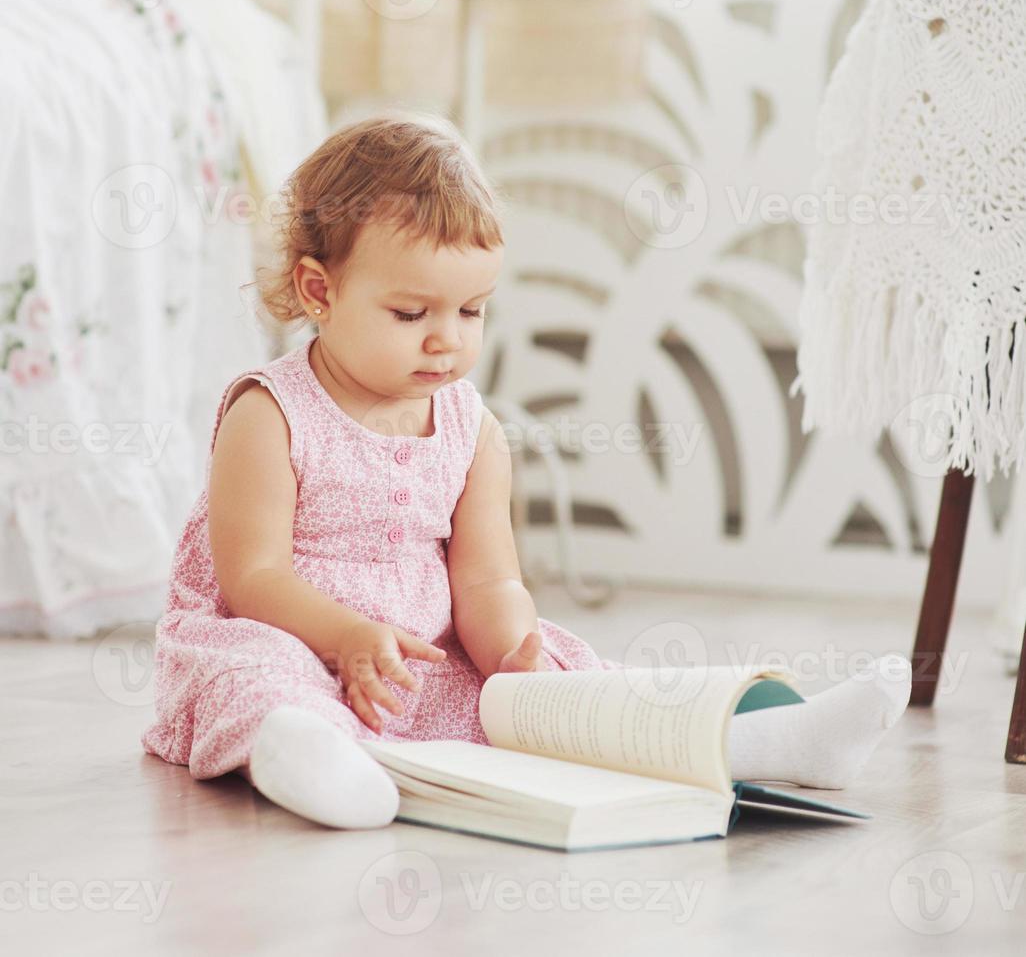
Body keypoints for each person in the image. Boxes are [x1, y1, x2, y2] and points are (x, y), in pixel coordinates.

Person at [140, 113, 912, 829]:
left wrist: (510, 647)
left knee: (569, 681)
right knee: (255, 674)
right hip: (293, 636)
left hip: (426, 655)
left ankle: (781, 742)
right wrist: (344, 638)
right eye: (411, 315)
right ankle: (308, 757)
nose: (446, 340)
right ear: (320, 291)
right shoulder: (270, 413)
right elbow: (252, 577)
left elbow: (485, 581)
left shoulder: (473, 431)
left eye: (471, 312)